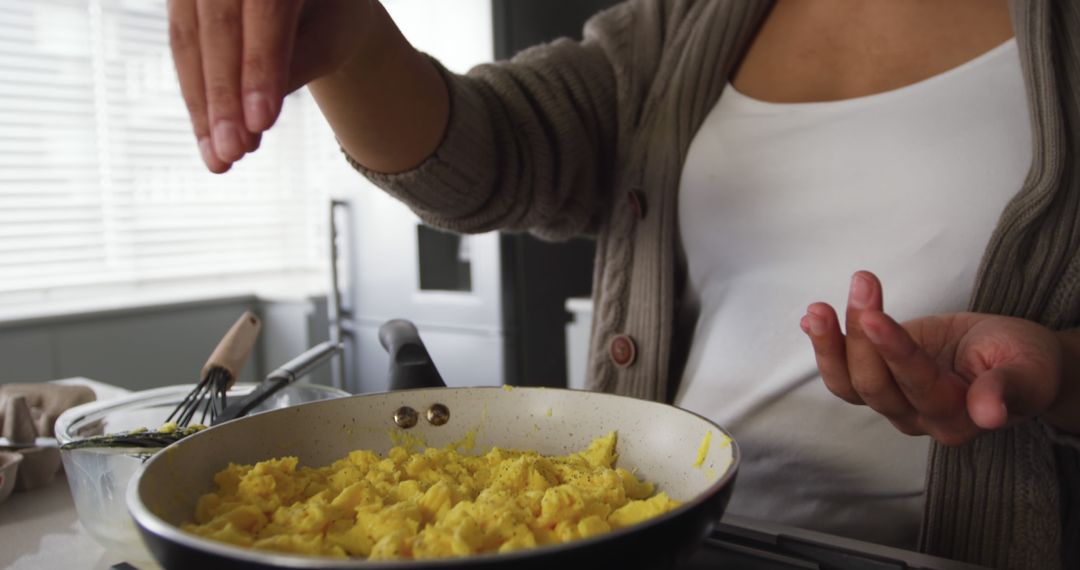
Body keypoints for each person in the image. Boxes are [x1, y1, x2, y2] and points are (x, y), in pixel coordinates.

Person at [166, 0, 1080, 567]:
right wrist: (353, 38)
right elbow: (492, 156)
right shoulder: (685, 23)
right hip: (654, 539)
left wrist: (1063, 372)